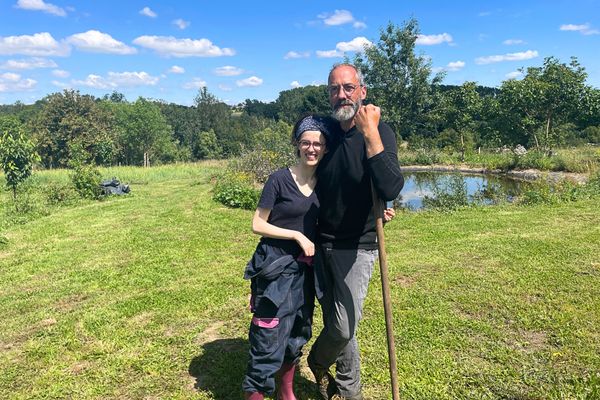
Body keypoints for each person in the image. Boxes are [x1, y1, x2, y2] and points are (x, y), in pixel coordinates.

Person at [307, 63, 404, 400]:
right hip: (319, 243)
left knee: (343, 326)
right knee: (341, 326)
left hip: (358, 246)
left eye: (348, 87)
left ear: (362, 91)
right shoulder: (326, 135)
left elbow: (391, 183)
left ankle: (317, 361)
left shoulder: (379, 130)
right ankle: (350, 393)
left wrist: (371, 132)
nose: (341, 94)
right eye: (334, 88)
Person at [242, 115, 331, 400]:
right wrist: (296, 236)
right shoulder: (279, 179)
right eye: (306, 142)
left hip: (306, 273)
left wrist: (379, 215)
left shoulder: (324, 183)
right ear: (297, 145)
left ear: (325, 148)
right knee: (268, 335)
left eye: (318, 143)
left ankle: (286, 390)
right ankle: (255, 390)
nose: (312, 148)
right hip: (275, 268)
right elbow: (258, 223)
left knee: (297, 332)